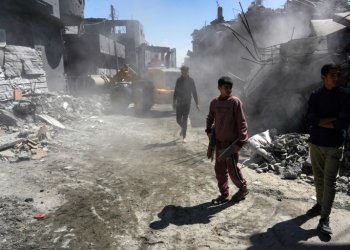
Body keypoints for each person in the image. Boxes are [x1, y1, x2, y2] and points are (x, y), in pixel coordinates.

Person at [305, 64, 350, 235]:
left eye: (338, 75)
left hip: (334, 144)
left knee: (329, 181)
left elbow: (343, 122)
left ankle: (325, 217)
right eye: (333, 75)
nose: (336, 78)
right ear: (323, 77)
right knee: (318, 178)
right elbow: (309, 118)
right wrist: (330, 120)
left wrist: (320, 121)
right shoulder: (315, 95)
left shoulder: (345, 95)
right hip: (316, 142)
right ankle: (320, 205)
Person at [206, 76, 249, 204]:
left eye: (230, 87)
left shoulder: (235, 102)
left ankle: (243, 188)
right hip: (219, 142)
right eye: (226, 87)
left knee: (232, 170)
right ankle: (224, 194)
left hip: (232, 144)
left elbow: (242, 122)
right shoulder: (214, 103)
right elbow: (210, 117)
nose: (229, 90)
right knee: (219, 170)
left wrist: (242, 140)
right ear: (219, 88)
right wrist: (208, 131)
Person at [173, 65, 199, 142]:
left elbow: (194, 92)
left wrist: (197, 103)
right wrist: (174, 102)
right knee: (178, 119)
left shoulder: (191, 80)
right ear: (181, 71)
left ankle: (184, 137)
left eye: (185, 71)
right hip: (179, 102)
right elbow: (176, 91)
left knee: (184, 119)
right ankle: (183, 128)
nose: (183, 72)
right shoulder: (178, 80)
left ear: (187, 72)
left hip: (187, 103)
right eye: (182, 71)